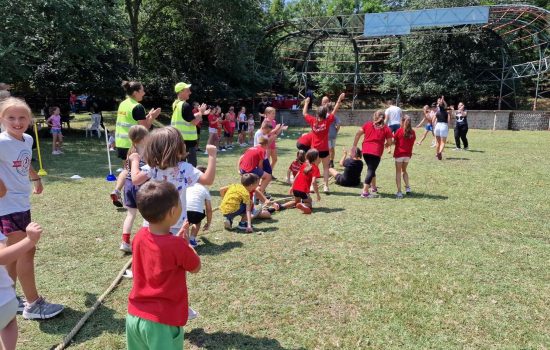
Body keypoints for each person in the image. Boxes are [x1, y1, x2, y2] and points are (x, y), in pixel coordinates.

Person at [0, 97, 64, 320]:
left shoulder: (26, 139)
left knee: (16, 252)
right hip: (6, 207)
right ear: (2, 119)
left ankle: (10, 297)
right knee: (26, 250)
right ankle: (33, 305)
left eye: (22, 117)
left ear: (29, 120)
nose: (17, 122)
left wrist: (35, 178)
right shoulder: (1, 141)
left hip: (21, 204)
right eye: (11, 118)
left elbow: (24, 162)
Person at [126, 181, 201, 350]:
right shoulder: (177, 246)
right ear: (173, 212)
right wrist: (186, 246)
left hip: (134, 317)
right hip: (162, 322)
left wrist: (178, 244)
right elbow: (196, 267)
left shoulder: (139, 236)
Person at [130, 127, 217, 236]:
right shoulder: (184, 168)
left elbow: (135, 179)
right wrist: (212, 156)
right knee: (179, 251)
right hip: (177, 222)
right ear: (179, 147)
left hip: (153, 222)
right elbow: (208, 180)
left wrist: (135, 161)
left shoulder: (153, 168)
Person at [111, 81, 161, 208]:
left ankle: (116, 191)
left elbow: (132, 121)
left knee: (127, 169)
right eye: (142, 90)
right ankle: (143, 196)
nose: (144, 93)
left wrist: (148, 115)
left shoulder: (123, 103)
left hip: (121, 142)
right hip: (134, 144)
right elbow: (144, 128)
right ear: (135, 92)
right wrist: (152, 117)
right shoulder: (137, 107)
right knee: (139, 171)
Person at [0, 222, 43, 350]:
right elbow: (2, 257)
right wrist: (29, 240)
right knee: (9, 322)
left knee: (8, 321)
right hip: (5, 302)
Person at [302, 93, 345, 193]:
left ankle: (312, 187)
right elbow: (335, 110)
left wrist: (306, 103)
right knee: (326, 168)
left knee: (314, 168)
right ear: (325, 114)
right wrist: (339, 99)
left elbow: (304, 113)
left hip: (315, 150)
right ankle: (326, 187)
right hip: (325, 150)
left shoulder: (313, 121)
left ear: (317, 114)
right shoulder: (327, 121)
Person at [119, 125, 149, 253]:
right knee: (148, 215)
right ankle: (148, 241)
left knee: (130, 214)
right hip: (141, 186)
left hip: (128, 185)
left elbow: (127, 169)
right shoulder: (146, 152)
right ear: (143, 139)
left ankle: (125, 241)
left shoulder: (131, 151)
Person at [351, 110, 392, 198]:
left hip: (365, 151)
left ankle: (373, 187)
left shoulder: (367, 124)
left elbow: (358, 134)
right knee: (371, 170)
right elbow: (390, 142)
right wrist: (387, 144)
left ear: (374, 117)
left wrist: (354, 146)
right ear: (384, 118)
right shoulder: (386, 129)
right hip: (376, 152)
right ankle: (365, 192)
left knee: (371, 168)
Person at [171, 82, 209, 167]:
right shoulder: (185, 105)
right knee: (192, 165)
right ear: (180, 92)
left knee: (179, 164)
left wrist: (200, 113)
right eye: (187, 90)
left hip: (178, 139)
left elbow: (187, 118)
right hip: (187, 141)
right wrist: (201, 112)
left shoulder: (176, 104)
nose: (190, 92)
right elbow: (194, 122)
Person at [281, 149, 321, 214]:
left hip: (295, 188)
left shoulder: (304, 165)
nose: (319, 158)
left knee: (296, 202)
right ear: (315, 158)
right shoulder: (315, 168)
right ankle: (303, 205)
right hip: (303, 190)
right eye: (318, 156)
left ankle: (281, 206)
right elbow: (313, 182)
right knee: (309, 203)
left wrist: (292, 187)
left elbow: (296, 176)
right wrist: (318, 195)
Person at [185, 166, 212, 248]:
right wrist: (208, 222)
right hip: (197, 213)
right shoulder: (204, 190)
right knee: (197, 222)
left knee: (185, 224)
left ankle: (185, 241)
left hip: (184, 210)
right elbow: (209, 209)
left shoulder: (187, 186)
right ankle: (192, 239)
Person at [393, 115, 416, 198]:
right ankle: (408, 188)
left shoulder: (399, 131)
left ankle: (399, 192)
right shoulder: (413, 132)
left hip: (399, 154)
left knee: (398, 172)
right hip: (407, 155)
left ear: (402, 122)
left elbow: (394, 141)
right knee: (404, 171)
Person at [260, 107, 287, 179]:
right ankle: (265, 175)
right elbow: (266, 133)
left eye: (274, 113)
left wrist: (280, 128)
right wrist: (275, 129)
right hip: (267, 143)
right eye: (272, 113)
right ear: (267, 114)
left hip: (273, 142)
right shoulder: (265, 122)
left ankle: (269, 173)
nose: (274, 115)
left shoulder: (274, 122)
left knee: (275, 159)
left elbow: (276, 133)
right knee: (267, 161)